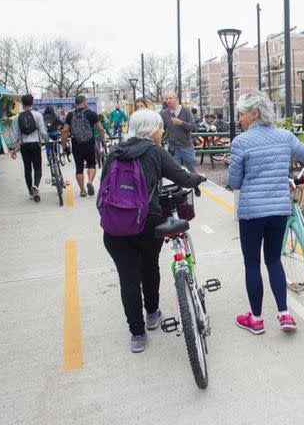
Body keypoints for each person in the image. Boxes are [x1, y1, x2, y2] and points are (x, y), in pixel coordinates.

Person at [227, 90, 304, 335]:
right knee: (274, 260)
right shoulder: (285, 137)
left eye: (242, 114)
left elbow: (235, 183)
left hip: (251, 213)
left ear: (254, 114)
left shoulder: (240, 142)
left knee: (252, 265)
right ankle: (284, 315)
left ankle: (255, 319)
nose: (239, 119)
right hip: (278, 211)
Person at [101, 109, 206, 353]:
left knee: (127, 278)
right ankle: (151, 314)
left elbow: (105, 185)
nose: (162, 131)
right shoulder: (154, 151)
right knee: (149, 266)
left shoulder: (115, 152)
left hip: (115, 225)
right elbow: (182, 177)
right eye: (160, 127)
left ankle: (136, 335)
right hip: (146, 222)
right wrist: (199, 178)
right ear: (150, 129)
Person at [62, 95, 104, 197]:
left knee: (79, 168)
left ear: (76, 104)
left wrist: (64, 144)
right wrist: (102, 138)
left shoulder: (70, 115)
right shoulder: (92, 113)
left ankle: (82, 190)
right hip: (89, 142)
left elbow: (66, 130)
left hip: (76, 143)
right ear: (85, 103)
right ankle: (90, 181)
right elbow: (100, 128)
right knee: (91, 164)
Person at [10, 94, 49, 202]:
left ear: (22, 104)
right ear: (33, 103)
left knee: (27, 169)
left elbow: (15, 134)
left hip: (24, 146)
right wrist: (47, 139)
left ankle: (31, 193)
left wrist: (13, 148)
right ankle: (36, 186)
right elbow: (42, 131)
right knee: (37, 168)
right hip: (35, 144)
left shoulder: (17, 117)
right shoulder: (38, 115)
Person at [161, 89, 198, 177]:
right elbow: (162, 129)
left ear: (176, 99)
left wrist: (181, 123)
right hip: (173, 148)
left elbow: (193, 127)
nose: (168, 100)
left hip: (186, 146)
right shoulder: (164, 113)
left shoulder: (186, 111)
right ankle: (179, 189)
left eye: (170, 98)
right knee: (176, 172)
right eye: (167, 99)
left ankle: (196, 186)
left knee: (192, 169)